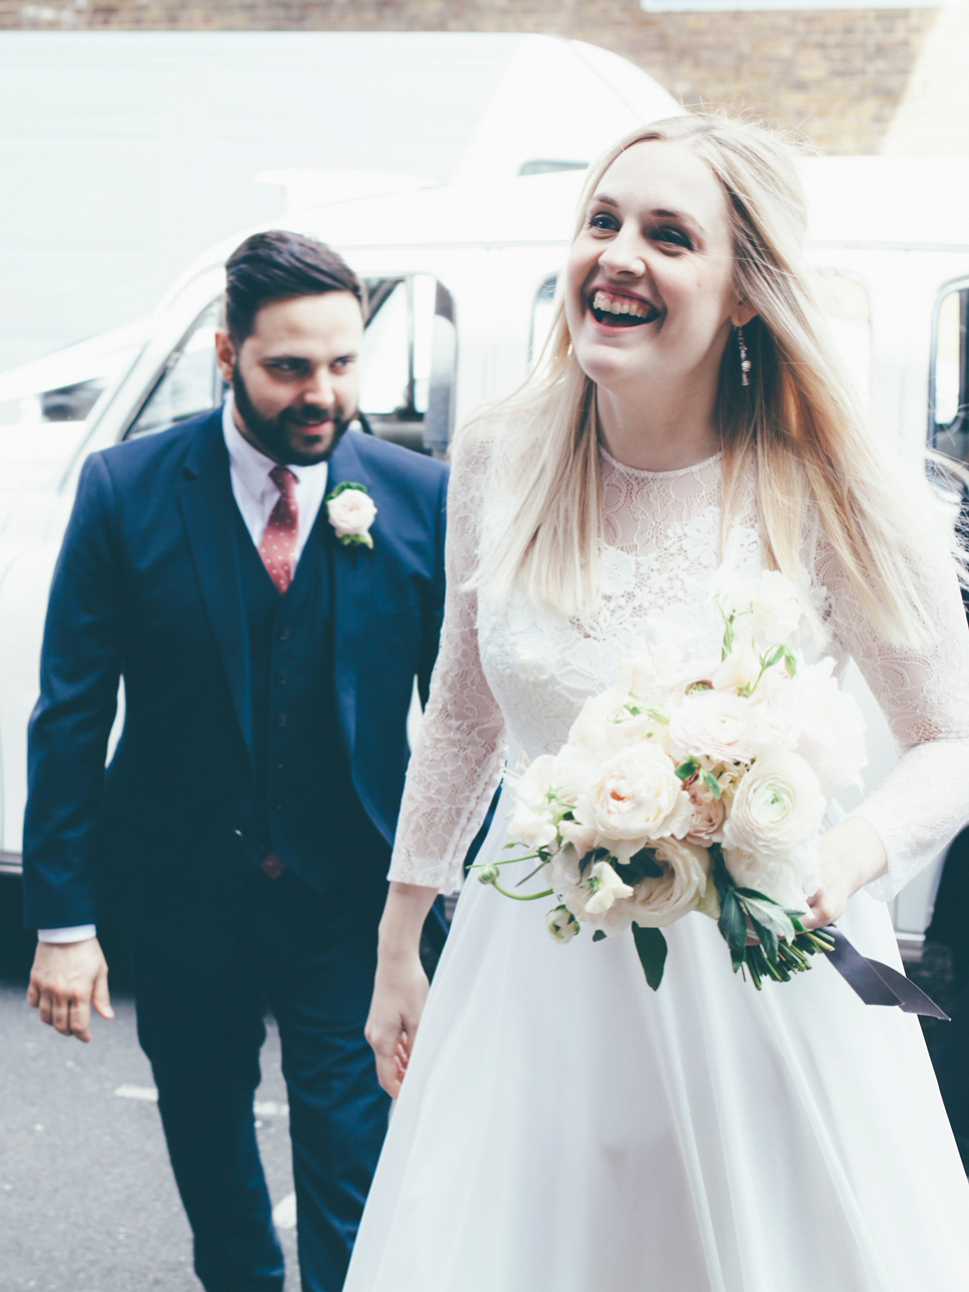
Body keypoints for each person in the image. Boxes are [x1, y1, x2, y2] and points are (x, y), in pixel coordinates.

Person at [347, 115, 969, 1291]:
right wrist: (398, 934)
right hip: (531, 972)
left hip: (764, 988)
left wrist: (848, 854)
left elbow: (951, 738)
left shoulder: (827, 486)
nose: (619, 254)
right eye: (603, 220)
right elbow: (469, 715)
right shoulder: (502, 454)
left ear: (744, 294)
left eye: (669, 235)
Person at [22, 230, 448, 1292]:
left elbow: (459, 725)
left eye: (343, 363)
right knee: (212, 1161)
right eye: (289, 366)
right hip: (178, 890)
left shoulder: (418, 499)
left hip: (349, 899)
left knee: (353, 1169)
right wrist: (64, 923)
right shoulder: (126, 489)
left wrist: (459, 898)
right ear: (227, 354)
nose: (321, 392)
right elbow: (70, 714)